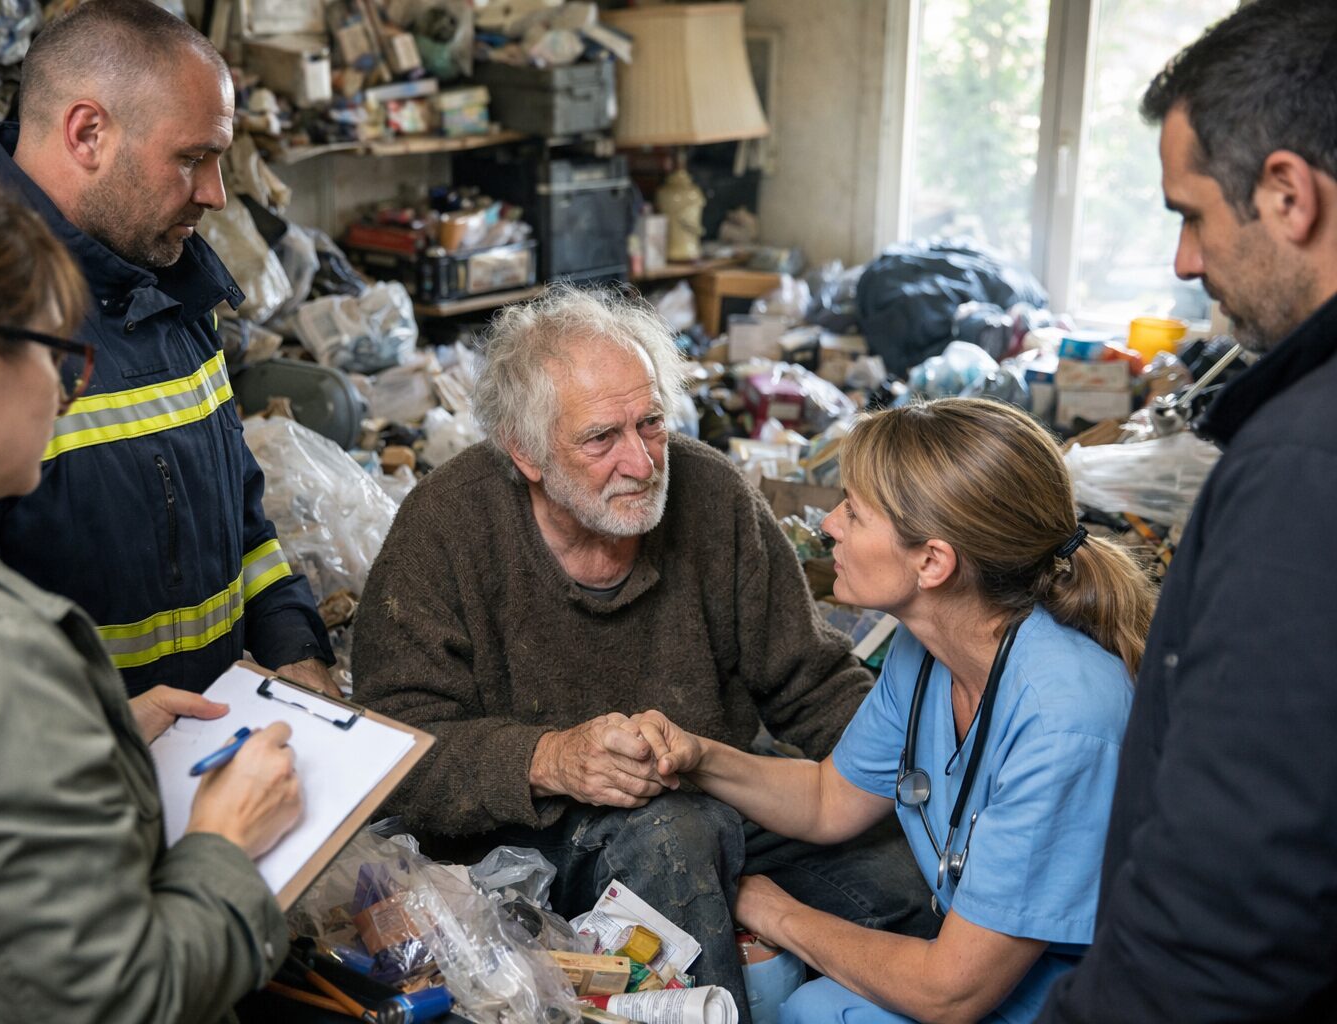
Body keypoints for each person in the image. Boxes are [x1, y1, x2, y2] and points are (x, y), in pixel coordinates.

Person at [0, 155, 303, 1022]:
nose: (71, 395)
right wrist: (224, 843)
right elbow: (119, 1001)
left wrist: (89, 742)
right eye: (61, 358)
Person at [351, 285, 935, 1020]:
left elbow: (810, 681)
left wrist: (933, 768)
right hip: (526, 845)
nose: (641, 461)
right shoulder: (448, 524)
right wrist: (548, 757)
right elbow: (389, 747)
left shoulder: (713, 496)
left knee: (904, 879)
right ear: (526, 452)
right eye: (601, 439)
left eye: (651, 423)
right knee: (675, 835)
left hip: (714, 793)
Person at [627, 398, 1156, 1023]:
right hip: (991, 964)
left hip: (1093, 995)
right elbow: (830, 799)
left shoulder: (1064, 721)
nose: (829, 524)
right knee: (814, 1009)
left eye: (854, 511)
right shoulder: (929, 650)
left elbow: (950, 993)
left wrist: (774, 911)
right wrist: (699, 755)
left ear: (932, 561)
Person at [1039, 3, 1337, 1019]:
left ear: (1288, 194)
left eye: (1192, 213)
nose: (1183, 261)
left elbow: (1234, 899)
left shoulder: (1306, 463)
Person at [0, 0, 336, 697]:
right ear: (88, 133)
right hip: (83, 787)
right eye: (193, 158)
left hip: (210, 761)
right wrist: (112, 752)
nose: (217, 194)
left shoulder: (169, 283)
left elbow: (242, 523)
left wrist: (291, 647)